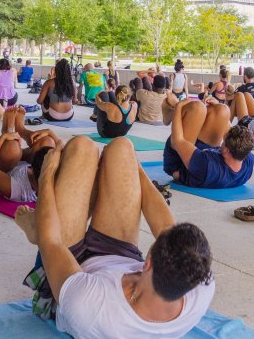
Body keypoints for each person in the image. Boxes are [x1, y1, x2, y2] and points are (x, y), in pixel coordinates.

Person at [14, 136, 215, 336]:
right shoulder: (199, 281)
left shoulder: (90, 307)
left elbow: (52, 241)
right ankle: (52, 214)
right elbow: (165, 225)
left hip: (71, 265)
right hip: (119, 253)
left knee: (81, 147)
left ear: (148, 263)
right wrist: (133, 167)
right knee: (122, 148)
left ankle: (37, 226)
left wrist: (46, 175)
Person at [163, 98, 254, 188]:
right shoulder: (248, 160)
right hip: (203, 154)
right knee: (222, 110)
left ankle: (169, 113)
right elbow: (231, 133)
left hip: (179, 158)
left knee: (197, 108)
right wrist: (220, 108)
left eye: (223, 143)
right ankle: (216, 110)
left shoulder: (206, 166)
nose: (222, 143)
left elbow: (178, 140)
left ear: (227, 150)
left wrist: (178, 107)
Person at [0, 106, 59, 203]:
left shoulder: (18, 189)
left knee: (12, 149)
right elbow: (64, 149)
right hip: (24, 167)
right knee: (48, 141)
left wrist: (3, 138)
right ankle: (21, 129)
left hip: (1, 171)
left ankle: (8, 131)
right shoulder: (52, 179)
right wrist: (50, 132)